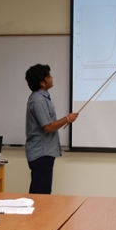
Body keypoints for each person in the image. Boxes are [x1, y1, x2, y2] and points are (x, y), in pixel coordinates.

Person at [25, 63, 79, 194]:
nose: (52, 77)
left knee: (42, 192)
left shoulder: (42, 98)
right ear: (43, 82)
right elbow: (47, 127)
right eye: (49, 76)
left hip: (44, 152)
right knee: (41, 194)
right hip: (41, 153)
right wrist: (67, 119)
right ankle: (37, 215)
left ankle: (38, 214)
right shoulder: (39, 101)